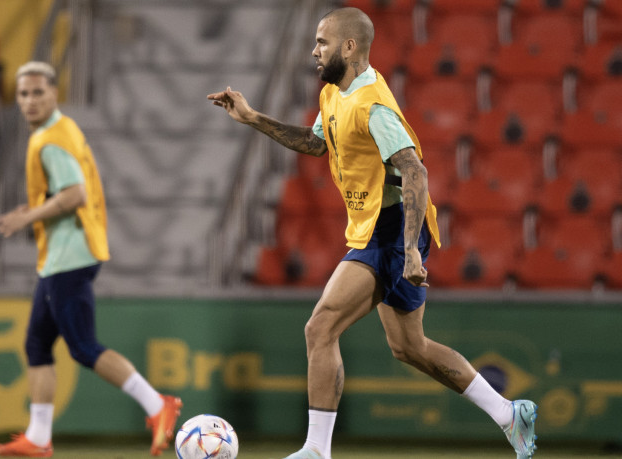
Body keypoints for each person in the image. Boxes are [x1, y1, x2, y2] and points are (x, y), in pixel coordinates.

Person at [208, 7, 537, 459]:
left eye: (322, 42)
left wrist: (411, 252)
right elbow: (316, 142)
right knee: (410, 348)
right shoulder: (334, 95)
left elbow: (415, 171)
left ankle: (316, 451)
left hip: (391, 231)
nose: (313, 50)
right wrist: (253, 118)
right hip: (378, 230)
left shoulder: (373, 106)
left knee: (320, 327)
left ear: (349, 47)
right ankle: (508, 413)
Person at [0, 61, 182, 458]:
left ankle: (156, 404)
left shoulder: (50, 139)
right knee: (37, 344)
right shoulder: (61, 129)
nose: (29, 100)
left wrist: (28, 216)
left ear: (54, 92)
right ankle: (39, 438)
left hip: (70, 255)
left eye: (38, 92)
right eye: (23, 94)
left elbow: (74, 194)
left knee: (82, 346)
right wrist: (35, 209)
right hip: (63, 253)